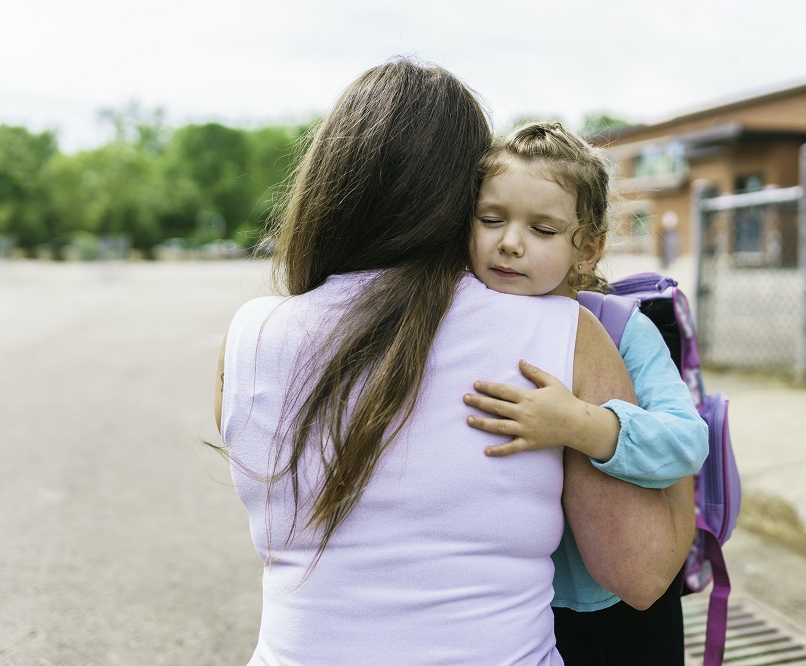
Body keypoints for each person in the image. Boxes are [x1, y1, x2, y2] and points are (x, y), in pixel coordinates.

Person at [212, 59, 695, 665]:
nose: (510, 239)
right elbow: (640, 572)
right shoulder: (563, 332)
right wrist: (675, 471)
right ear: (461, 196)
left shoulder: (250, 336)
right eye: (491, 215)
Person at [461, 121, 708, 665]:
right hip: (523, 600)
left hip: (621, 607)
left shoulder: (621, 328)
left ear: (588, 248)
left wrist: (579, 424)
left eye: (543, 229)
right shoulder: (465, 322)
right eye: (491, 219)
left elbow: (687, 441)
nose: (509, 242)